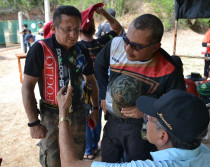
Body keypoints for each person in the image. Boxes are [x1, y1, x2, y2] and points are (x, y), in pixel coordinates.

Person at [94, 14, 186, 162]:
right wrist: (103, 94)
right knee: (108, 161)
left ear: (155, 47)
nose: (128, 49)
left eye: (136, 46)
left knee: (138, 162)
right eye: (126, 40)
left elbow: (176, 105)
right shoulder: (115, 45)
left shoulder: (168, 68)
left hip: (143, 128)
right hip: (113, 122)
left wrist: (148, 110)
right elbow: (99, 65)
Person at [21, 5, 99, 167]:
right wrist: (34, 123)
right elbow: (27, 87)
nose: (73, 35)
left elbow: (90, 81)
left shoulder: (82, 51)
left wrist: (95, 108)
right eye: (68, 29)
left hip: (78, 113)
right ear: (54, 28)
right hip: (51, 115)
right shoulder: (40, 49)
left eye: (77, 29)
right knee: (52, 159)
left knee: (76, 158)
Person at [57, 86, 210, 167]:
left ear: (163, 136)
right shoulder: (205, 154)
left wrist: (63, 113)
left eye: (148, 118)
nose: (145, 120)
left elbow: (70, 164)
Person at [79, 3, 123, 159]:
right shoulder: (101, 42)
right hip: (101, 86)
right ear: (93, 29)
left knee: (85, 115)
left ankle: (88, 149)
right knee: (95, 114)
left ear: (79, 30)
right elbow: (118, 28)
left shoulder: (76, 47)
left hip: (83, 87)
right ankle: (92, 147)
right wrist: (104, 13)